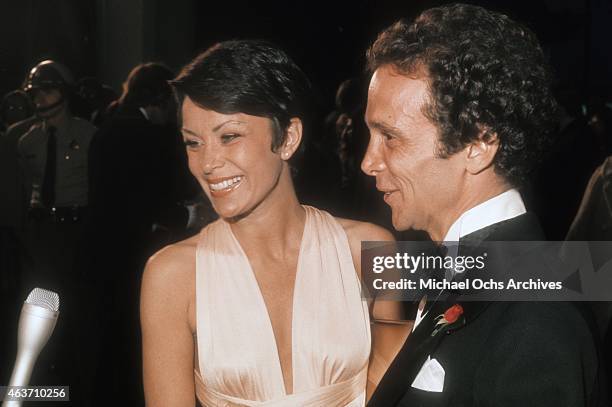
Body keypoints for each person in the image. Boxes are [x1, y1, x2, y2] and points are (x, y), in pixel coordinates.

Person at [361, 4, 605, 406]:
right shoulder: (472, 267)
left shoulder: (536, 319)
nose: (367, 162)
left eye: (390, 137)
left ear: (478, 144)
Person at [140, 40, 398, 406]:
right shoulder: (169, 275)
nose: (207, 163)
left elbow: (402, 388)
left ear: (288, 138)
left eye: (229, 137)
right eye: (193, 143)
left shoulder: (375, 249)